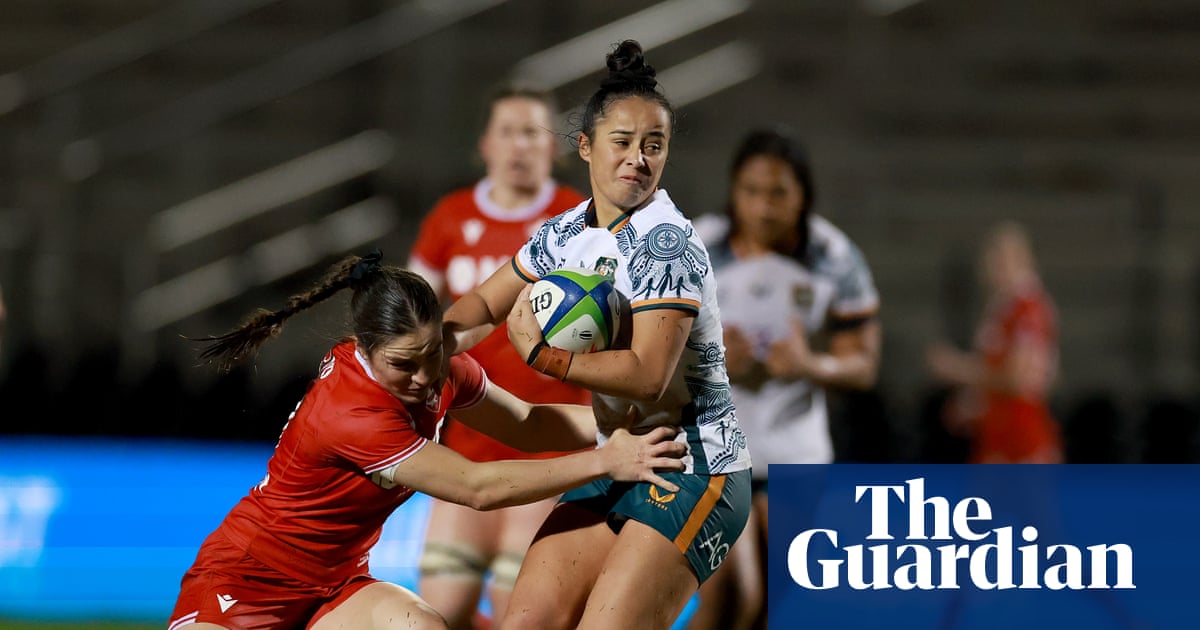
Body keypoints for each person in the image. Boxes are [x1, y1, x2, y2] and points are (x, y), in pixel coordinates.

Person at [166, 251, 686, 630]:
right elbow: (477, 487)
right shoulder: (352, 413)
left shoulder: (440, 368)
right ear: (365, 350)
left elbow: (527, 423)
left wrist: (625, 426)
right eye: (403, 364)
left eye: (433, 351)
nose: (423, 377)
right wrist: (607, 460)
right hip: (248, 577)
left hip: (336, 583)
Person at [442, 39, 753, 630]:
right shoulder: (563, 234)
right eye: (623, 142)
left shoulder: (666, 242)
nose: (639, 158)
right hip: (619, 452)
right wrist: (429, 349)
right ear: (585, 146)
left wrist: (544, 358)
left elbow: (648, 374)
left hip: (693, 463)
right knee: (524, 623)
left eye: (654, 145)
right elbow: (484, 302)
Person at [406, 82, 590, 630]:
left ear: (554, 146)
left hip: (549, 453)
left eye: (533, 132)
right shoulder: (449, 217)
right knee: (439, 613)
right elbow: (411, 317)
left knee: (521, 613)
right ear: (485, 144)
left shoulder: (578, 219)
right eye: (507, 132)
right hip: (466, 447)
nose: (520, 145)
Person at [688, 128, 882, 630]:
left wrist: (809, 365)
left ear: (803, 195)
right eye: (751, 191)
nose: (763, 207)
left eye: (778, 193)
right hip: (714, 451)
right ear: (734, 190)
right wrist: (711, 358)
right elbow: (650, 351)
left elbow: (863, 363)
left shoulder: (833, 256)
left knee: (778, 604)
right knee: (730, 599)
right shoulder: (696, 246)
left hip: (794, 453)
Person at [925, 220, 1062, 463]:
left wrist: (957, 368)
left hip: (1021, 443)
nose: (995, 266)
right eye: (993, 258)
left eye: (1005, 258)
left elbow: (1017, 379)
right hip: (998, 437)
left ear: (1024, 260)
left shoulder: (1028, 308)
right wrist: (973, 403)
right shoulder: (1003, 308)